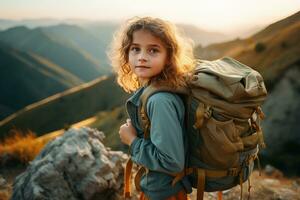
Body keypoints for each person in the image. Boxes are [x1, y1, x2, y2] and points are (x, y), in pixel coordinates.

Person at [109, 16, 195, 200]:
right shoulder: (155, 90)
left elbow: (172, 162)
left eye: (153, 50)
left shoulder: (160, 101)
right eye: (135, 49)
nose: (141, 57)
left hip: (165, 193)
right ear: (127, 54)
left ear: (169, 57)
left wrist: (132, 140)